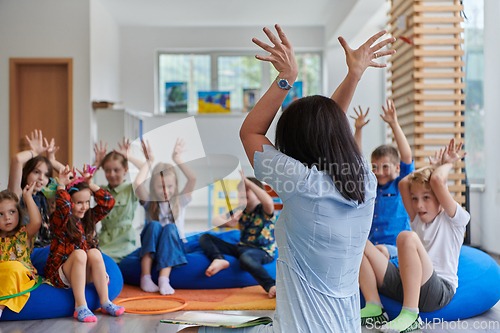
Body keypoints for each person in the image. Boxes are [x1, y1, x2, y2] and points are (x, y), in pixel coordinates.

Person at [180, 24, 395, 333]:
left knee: (187, 331)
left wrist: (287, 78)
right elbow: (328, 129)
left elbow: (251, 132)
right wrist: (354, 75)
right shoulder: (365, 179)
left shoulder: (302, 183)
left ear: (294, 145)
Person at [359, 138, 469, 333]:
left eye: (426, 198)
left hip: (437, 290)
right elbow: (403, 183)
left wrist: (446, 164)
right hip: (408, 284)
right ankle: (375, 307)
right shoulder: (418, 219)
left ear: (441, 200)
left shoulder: (455, 220)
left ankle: (410, 315)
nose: (419, 205)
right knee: (358, 241)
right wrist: (432, 166)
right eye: (415, 199)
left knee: (406, 237)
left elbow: (436, 181)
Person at [44, 165, 124, 323]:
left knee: (94, 252)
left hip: (82, 272)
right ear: (70, 201)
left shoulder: (88, 218)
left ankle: (105, 302)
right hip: (62, 273)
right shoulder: (60, 220)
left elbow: (108, 202)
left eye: (87, 202)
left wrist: (90, 184)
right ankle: (80, 306)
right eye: (78, 203)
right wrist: (62, 186)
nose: (84, 207)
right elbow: (64, 207)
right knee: (80, 253)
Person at [351, 99, 414, 260]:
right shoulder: (371, 187)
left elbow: (406, 156)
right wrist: (358, 129)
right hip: (372, 247)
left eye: (385, 167)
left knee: (378, 252)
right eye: (375, 167)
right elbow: (356, 161)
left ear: (397, 168)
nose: (379, 172)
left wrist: (394, 123)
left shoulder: (401, 185)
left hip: (395, 249)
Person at [199, 170, 277, 298]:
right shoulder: (240, 210)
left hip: (262, 251)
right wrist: (227, 223)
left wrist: (249, 183)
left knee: (246, 258)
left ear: (258, 192)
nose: (242, 193)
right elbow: (215, 220)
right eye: (240, 190)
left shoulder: (264, 209)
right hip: (242, 248)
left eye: (247, 189)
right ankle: (218, 259)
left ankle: (270, 285)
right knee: (205, 237)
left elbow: (268, 201)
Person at [134, 139, 196, 295]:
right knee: (154, 225)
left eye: (169, 186)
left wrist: (178, 160)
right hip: (153, 245)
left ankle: (163, 280)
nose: (166, 190)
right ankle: (146, 277)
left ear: (175, 185)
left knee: (169, 228)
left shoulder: (180, 201)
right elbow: (137, 183)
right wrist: (149, 162)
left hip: (176, 244)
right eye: (160, 186)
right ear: (153, 187)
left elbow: (193, 179)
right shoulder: (150, 202)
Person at [8, 129, 64, 248]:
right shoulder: (17, 194)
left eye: (46, 175)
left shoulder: (46, 196)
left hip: (49, 249)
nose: (41, 178)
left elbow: (70, 177)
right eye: (36, 172)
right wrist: (34, 152)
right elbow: (17, 160)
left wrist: (52, 161)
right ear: (27, 172)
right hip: (28, 251)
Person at [93, 137, 147, 263]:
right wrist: (97, 163)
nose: (112, 174)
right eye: (107, 170)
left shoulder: (131, 189)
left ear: (125, 170)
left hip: (124, 243)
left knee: (105, 264)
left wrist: (129, 157)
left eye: (116, 170)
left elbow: (146, 166)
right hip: (103, 241)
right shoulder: (102, 190)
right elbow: (81, 183)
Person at [0, 184, 42, 318]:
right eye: (0, 214)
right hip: (4, 276)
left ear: (19, 212)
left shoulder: (23, 233)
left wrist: (27, 197)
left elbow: (36, 222)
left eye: (12, 212)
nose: (7, 217)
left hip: (24, 276)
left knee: (14, 267)